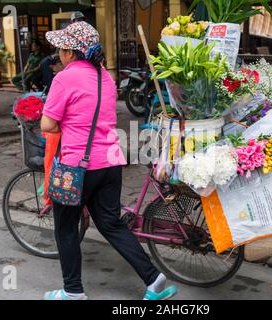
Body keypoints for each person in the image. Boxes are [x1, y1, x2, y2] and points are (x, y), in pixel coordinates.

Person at [41, 21, 177, 301]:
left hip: (77, 166)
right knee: (110, 223)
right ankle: (154, 279)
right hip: (110, 163)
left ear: (70, 51)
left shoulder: (64, 78)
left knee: (66, 228)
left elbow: (48, 123)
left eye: (61, 47)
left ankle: (73, 291)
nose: (58, 52)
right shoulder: (105, 77)